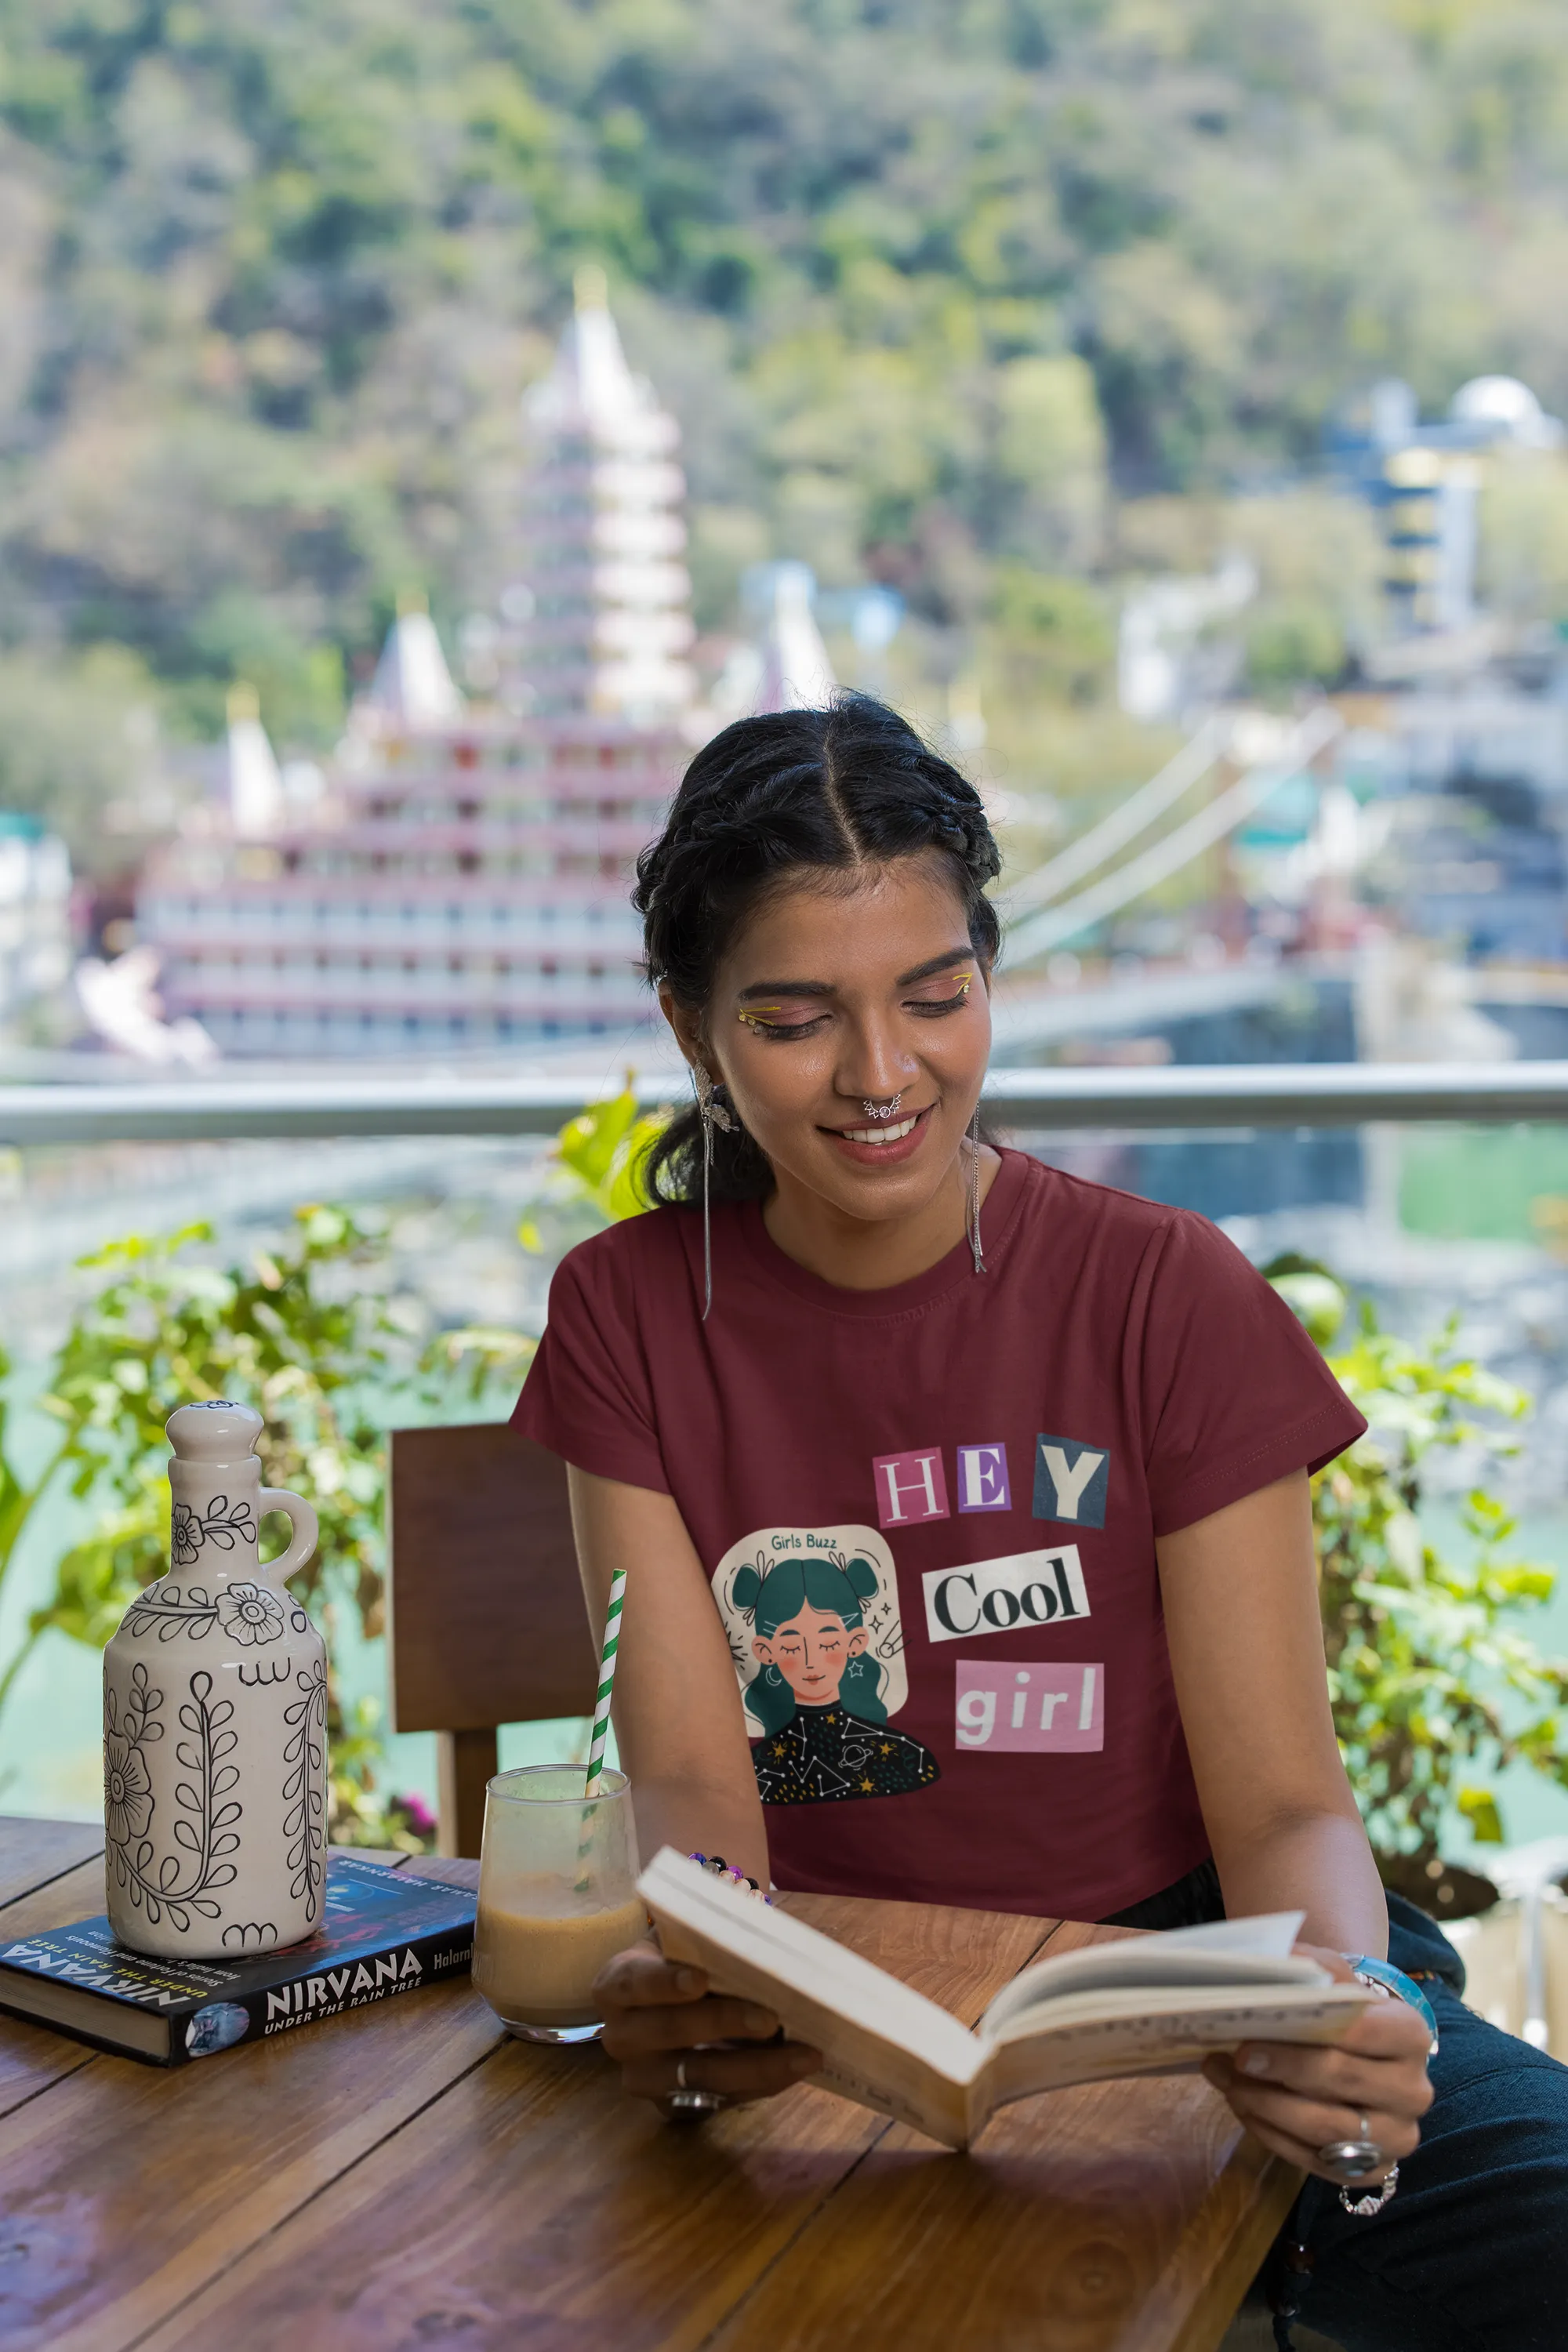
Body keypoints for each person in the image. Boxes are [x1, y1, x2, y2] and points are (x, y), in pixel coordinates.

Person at [513, 694, 1568, 2351]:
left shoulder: (1165, 1293)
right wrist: (708, 1978)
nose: (883, 1076)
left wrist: (1344, 2006)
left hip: (1194, 1967)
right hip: (830, 1999)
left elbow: (1287, 1806)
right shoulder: (627, 1316)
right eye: (797, 1021)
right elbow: (698, 1798)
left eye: (935, 998)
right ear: (689, 1024)